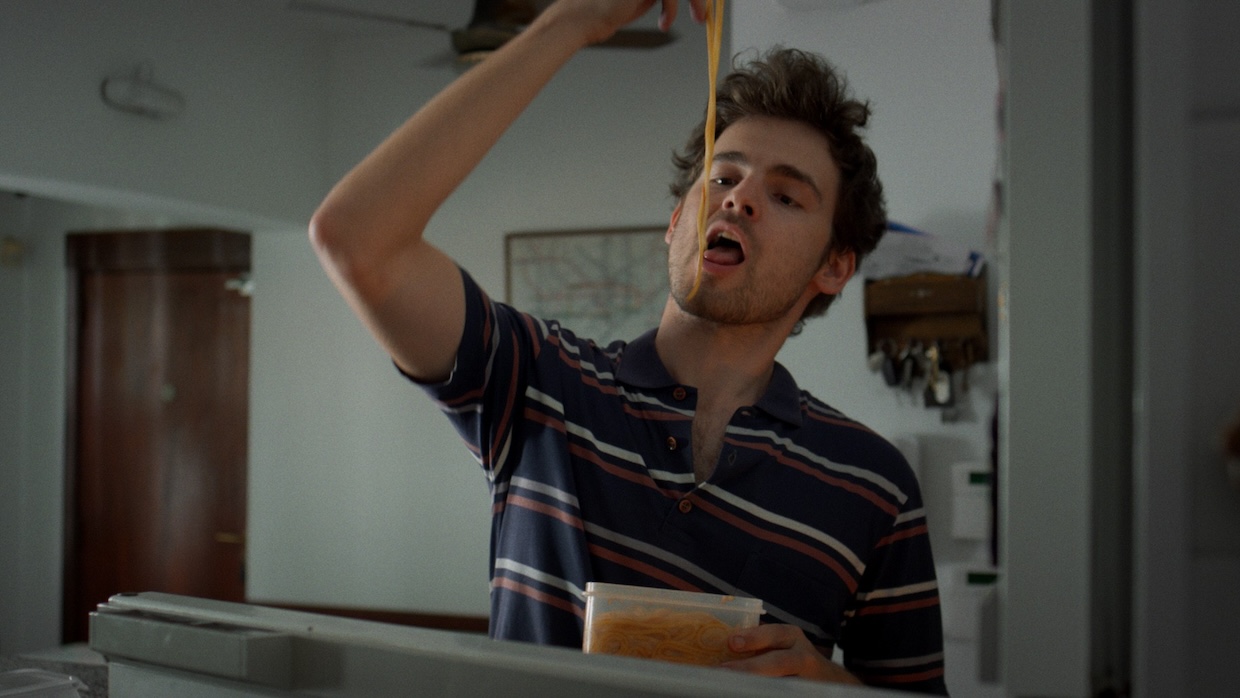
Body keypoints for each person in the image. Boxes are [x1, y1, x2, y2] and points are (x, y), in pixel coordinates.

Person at [310, 0, 947, 693]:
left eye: (787, 196)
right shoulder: (542, 382)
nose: (739, 199)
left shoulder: (874, 484)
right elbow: (356, 238)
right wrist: (569, 23)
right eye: (723, 175)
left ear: (834, 266)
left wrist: (833, 687)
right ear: (677, 220)